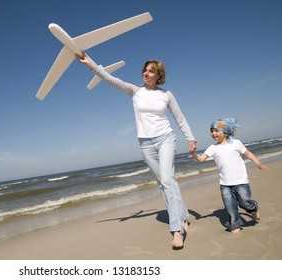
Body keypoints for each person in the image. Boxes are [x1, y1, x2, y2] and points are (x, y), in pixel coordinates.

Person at [76, 53, 196, 249]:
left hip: (166, 138)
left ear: (159, 75)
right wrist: (91, 64)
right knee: (165, 183)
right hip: (145, 143)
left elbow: (179, 118)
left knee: (167, 180)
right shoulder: (135, 91)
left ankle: (177, 230)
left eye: (151, 71)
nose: (146, 73)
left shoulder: (166, 95)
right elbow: (111, 80)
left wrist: (190, 138)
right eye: (145, 70)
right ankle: (183, 217)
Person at [189, 118, 266, 234]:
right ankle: (234, 224)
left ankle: (253, 208)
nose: (213, 133)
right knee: (230, 207)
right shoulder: (213, 148)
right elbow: (200, 159)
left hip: (240, 181)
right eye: (211, 131)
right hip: (225, 184)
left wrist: (257, 162)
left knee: (245, 202)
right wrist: (193, 153)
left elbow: (247, 153)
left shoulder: (236, 143)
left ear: (225, 132)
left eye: (216, 130)